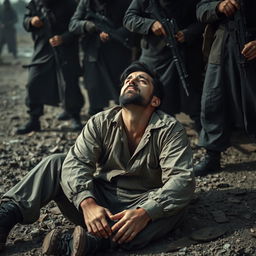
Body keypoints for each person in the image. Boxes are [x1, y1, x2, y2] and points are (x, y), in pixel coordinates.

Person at [0, 62, 195, 255]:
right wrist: (87, 202)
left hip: (141, 203)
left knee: (177, 207)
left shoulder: (170, 129)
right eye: (128, 80)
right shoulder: (100, 121)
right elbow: (77, 162)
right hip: (98, 203)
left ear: (155, 101)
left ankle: (89, 243)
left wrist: (145, 213)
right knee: (57, 163)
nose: (131, 82)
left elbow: (181, 179)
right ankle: (5, 217)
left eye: (141, 80)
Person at [194, 0, 256, 176]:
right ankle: (212, 155)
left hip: (252, 44)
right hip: (223, 44)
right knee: (214, 99)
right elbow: (201, 9)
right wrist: (218, 6)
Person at [123, 0, 205, 132]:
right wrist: (150, 24)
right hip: (155, 55)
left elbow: (203, 19)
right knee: (155, 93)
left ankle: (202, 129)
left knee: (191, 94)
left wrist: (187, 33)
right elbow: (129, 19)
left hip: (185, 54)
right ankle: (157, 129)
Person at [16, 0, 84, 134]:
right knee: (33, 83)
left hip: (66, 50)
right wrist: (31, 21)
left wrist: (64, 38)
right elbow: (26, 21)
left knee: (69, 83)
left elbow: (77, 26)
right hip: (43, 49)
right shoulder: (35, 3)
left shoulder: (70, 4)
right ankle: (34, 119)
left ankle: (74, 116)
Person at [69, 0, 133, 116]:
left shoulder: (124, 3)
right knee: (94, 92)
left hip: (118, 55)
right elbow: (73, 24)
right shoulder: (86, 3)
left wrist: (114, 34)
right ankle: (96, 126)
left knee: (122, 93)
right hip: (93, 54)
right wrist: (87, 25)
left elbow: (132, 23)